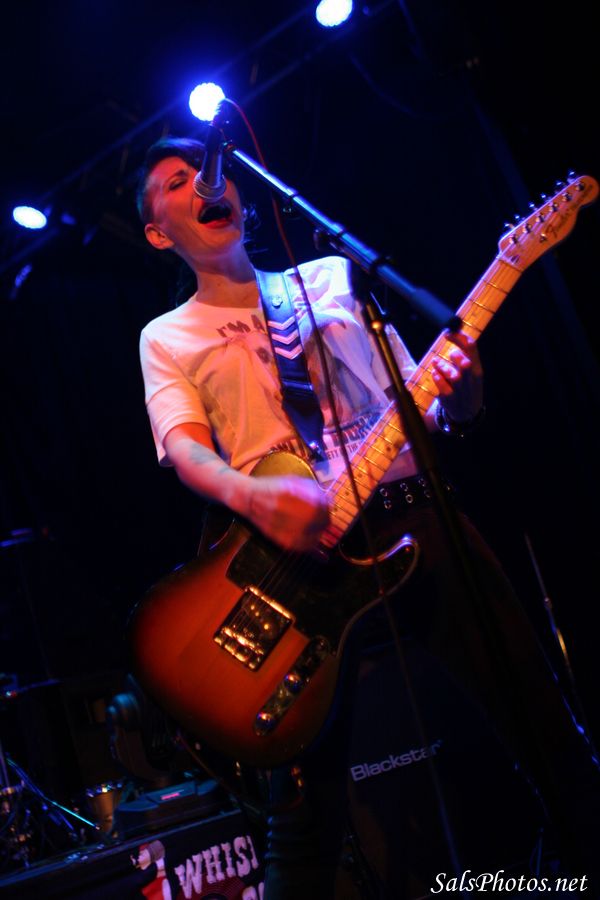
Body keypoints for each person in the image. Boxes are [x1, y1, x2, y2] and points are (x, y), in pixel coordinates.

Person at [136, 136, 600, 898]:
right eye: (177, 182)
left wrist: (461, 391)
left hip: (417, 516)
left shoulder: (330, 276)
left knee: (550, 736)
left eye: (208, 173)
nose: (202, 186)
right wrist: (254, 497)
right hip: (303, 562)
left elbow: (430, 409)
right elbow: (185, 450)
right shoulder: (167, 335)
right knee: (305, 821)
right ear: (159, 232)